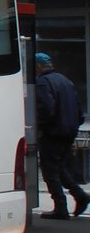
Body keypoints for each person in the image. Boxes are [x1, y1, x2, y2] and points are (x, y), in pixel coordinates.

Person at [34, 52, 90, 220]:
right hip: (69, 131)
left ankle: (60, 207)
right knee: (60, 168)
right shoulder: (65, 81)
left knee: (49, 170)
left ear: (38, 66)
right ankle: (80, 195)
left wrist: (41, 128)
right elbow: (79, 110)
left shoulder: (43, 83)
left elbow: (47, 109)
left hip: (53, 132)